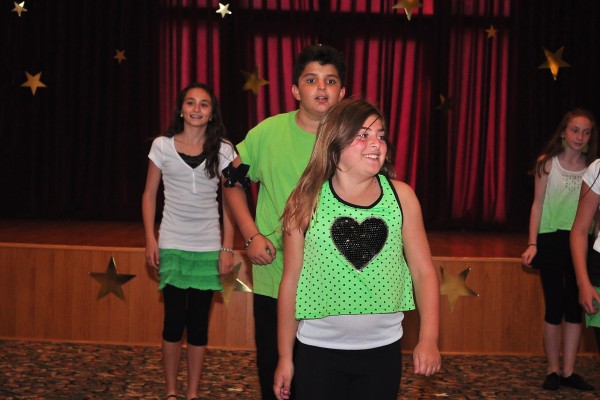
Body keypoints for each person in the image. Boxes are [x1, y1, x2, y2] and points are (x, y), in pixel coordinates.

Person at [273, 98, 441, 400]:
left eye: (380, 135)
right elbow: (291, 281)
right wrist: (285, 356)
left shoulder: (402, 197)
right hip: (317, 350)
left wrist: (429, 338)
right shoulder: (305, 200)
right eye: (363, 135)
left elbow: (423, 271)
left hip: (383, 350)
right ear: (334, 144)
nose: (376, 143)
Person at [222, 44, 347, 400]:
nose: (321, 87)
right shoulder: (267, 134)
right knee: (277, 379)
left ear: (342, 93)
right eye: (311, 80)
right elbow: (231, 181)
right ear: (295, 90)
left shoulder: (352, 139)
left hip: (337, 282)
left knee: (328, 381)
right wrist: (250, 235)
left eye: (330, 81)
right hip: (275, 277)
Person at [142, 82, 236, 400]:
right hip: (172, 243)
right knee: (173, 322)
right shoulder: (162, 146)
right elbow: (149, 194)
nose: (197, 109)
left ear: (212, 113)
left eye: (204, 104)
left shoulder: (224, 150)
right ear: (181, 109)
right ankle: (171, 390)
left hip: (208, 247)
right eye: (191, 102)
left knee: (198, 325)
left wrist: (227, 247)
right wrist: (150, 239)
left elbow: (232, 201)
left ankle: (192, 392)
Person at [522, 108, 598, 391]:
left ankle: (568, 371)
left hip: (581, 242)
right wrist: (532, 243)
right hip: (551, 239)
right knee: (554, 305)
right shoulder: (547, 164)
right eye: (575, 130)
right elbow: (538, 204)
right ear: (564, 132)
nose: (580, 137)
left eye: (586, 132)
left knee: (576, 307)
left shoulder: (592, 168)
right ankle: (552, 369)